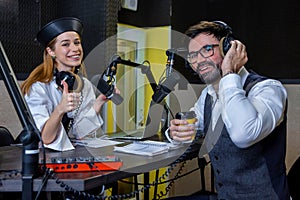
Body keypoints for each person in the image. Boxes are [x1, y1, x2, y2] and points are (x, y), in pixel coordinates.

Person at [167, 20, 290, 199]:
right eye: (193, 55)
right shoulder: (207, 96)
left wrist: (229, 73)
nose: (199, 60)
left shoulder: (269, 89)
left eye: (207, 49)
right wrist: (175, 132)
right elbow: (191, 125)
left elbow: (243, 135)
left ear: (228, 48)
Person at [21, 17, 115, 151]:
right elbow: (46, 138)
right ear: (51, 51)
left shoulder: (84, 85)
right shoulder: (38, 88)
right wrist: (60, 109)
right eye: (65, 44)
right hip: (39, 156)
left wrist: (98, 103)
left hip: (67, 155)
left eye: (77, 43)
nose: (75, 48)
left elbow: (82, 134)